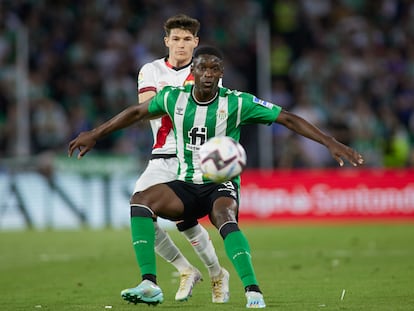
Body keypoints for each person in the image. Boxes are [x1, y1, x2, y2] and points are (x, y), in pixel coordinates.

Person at [68, 46, 364, 308]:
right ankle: (150, 283)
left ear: (221, 72)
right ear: (193, 70)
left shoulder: (237, 102)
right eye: (202, 68)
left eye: (214, 68)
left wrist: (330, 142)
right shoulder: (173, 98)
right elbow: (135, 113)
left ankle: (253, 290)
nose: (208, 74)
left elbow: (286, 118)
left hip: (219, 185)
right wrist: (95, 134)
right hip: (184, 184)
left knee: (224, 217)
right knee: (141, 201)